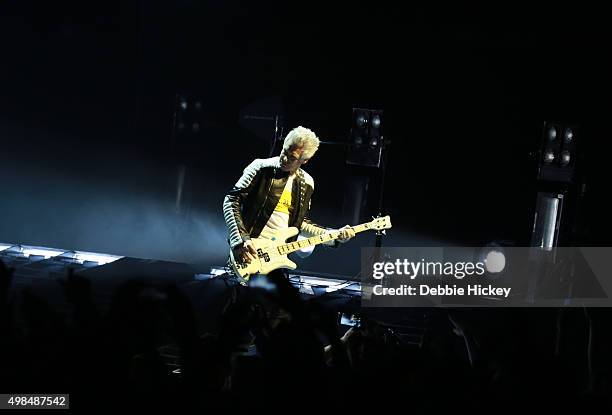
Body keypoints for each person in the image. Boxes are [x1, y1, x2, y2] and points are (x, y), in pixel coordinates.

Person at [223, 126, 355, 267]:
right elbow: (231, 201)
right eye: (284, 151)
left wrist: (334, 236)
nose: (284, 158)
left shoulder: (307, 183)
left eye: (292, 158)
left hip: (277, 259)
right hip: (249, 251)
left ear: (304, 161)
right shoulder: (260, 167)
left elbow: (300, 224)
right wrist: (241, 239)